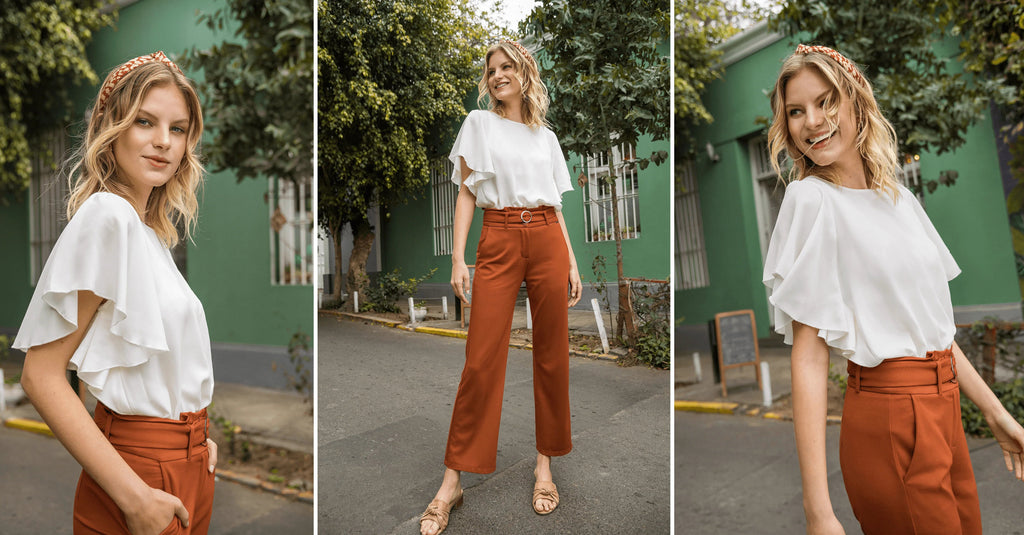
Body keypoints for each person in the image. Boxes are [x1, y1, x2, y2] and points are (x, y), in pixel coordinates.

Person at [762, 44, 1024, 535]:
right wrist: (817, 510)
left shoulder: (899, 197)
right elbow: (810, 355)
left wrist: (996, 414)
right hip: (889, 416)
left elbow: (933, 329)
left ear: (857, 100)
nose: (811, 121)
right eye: (796, 111)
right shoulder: (811, 200)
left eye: (826, 102)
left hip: (944, 411)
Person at [14, 51, 216, 535]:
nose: (163, 142)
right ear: (113, 125)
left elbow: (108, 360)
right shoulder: (109, 216)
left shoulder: (148, 233)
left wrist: (194, 438)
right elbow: (41, 376)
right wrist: (136, 497)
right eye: (145, 121)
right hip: (141, 478)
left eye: (179, 128)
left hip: (188, 464)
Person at [419, 40, 582, 535]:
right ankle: (452, 483)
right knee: (481, 358)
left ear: (524, 72)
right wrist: (458, 256)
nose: (497, 76)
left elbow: (555, 207)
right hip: (499, 236)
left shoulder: (546, 138)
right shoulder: (479, 124)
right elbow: (467, 192)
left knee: (552, 355)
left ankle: (544, 467)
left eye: (507, 67)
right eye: (491, 70)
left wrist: (572, 261)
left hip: (548, 239)